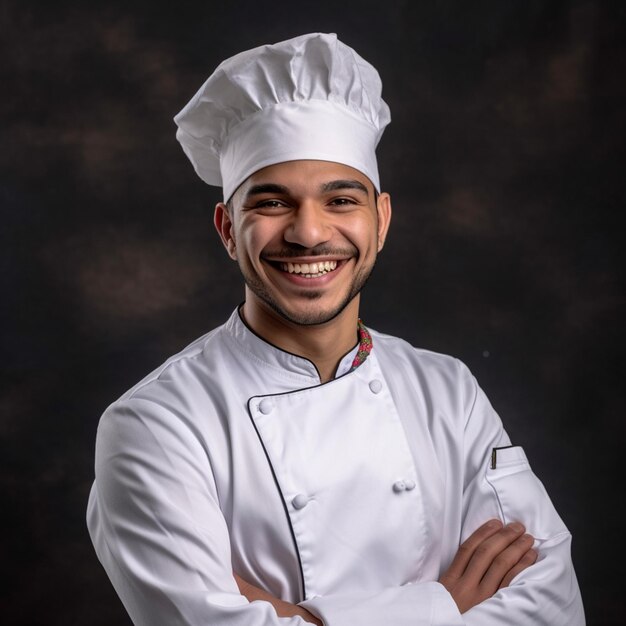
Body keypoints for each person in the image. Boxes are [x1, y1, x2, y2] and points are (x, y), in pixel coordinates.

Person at [87, 33, 585, 625]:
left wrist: (303, 618)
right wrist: (444, 604)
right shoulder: (156, 425)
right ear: (226, 228)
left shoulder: (447, 389)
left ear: (381, 220)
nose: (309, 233)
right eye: (271, 203)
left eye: (341, 199)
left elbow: (550, 607)